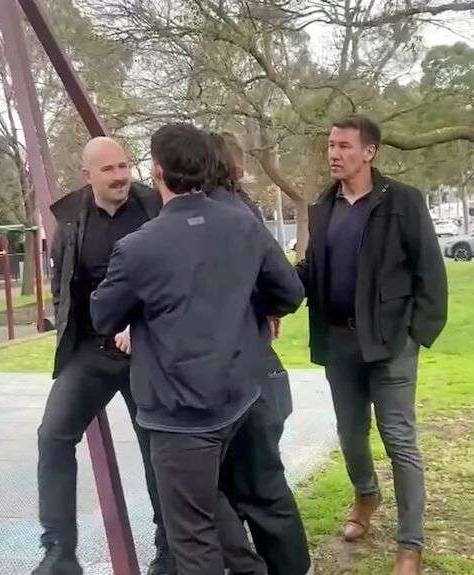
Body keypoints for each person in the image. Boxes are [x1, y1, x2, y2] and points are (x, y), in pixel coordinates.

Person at [90, 123, 305, 575]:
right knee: (217, 507)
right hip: (242, 396)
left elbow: (103, 317)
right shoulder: (241, 224)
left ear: (158, 171)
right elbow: (288, 293)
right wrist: (242, 311)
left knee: (193, 538)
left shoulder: (139, 248)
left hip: (179, 414)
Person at [296, 115, 447, 575]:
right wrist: (274, 293)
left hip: (390, 343)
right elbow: (311, 271)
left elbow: (430, 272)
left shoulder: (402, 201)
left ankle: (410, 544)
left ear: (369, 152)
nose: (334, 154)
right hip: (338, 341)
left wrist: (416, 334)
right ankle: (366, 494)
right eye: (331, 146)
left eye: (343, 146)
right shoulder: (323, 207)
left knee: (399, 439)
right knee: (349, 432)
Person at [33, 137, 172, 575]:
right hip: (91, 352)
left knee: (158, 449)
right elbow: (62, 285)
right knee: (52, 435)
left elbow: (174, 277)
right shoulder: (72, 220)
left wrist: (142, 321)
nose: (120, 176)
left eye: (124, 166)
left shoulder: (156, 208)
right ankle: (59, 551)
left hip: (145, 352)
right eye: (109, 169)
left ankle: (168, 550)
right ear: (87, 176)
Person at [207, 132, 312, 575]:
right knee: (252, 486)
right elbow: (282, 289)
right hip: (256, 372)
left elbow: (288, 289)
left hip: (242, 376)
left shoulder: (224, 215)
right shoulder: (240, 209)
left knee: (257, 488)